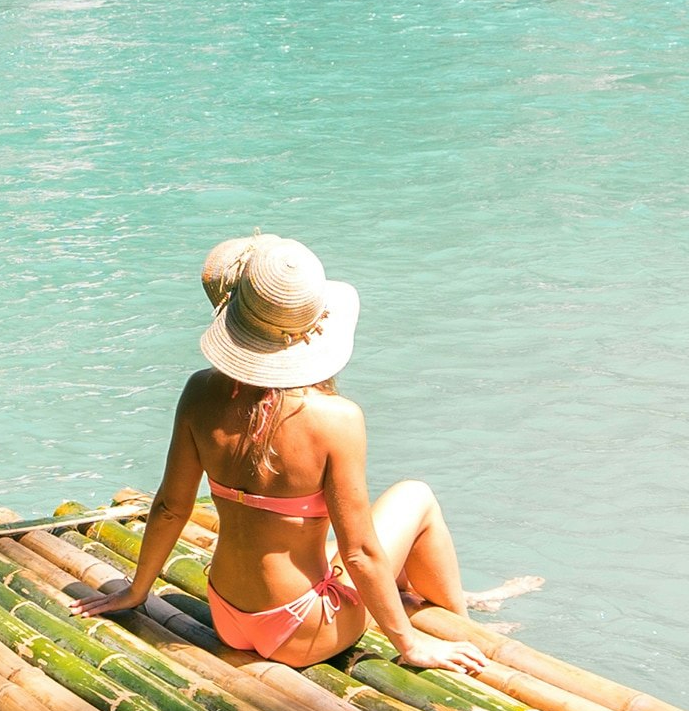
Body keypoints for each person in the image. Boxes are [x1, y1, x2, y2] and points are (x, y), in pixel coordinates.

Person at [68, 233, 486, 672]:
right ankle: (461, 624)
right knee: (415, 496)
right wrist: (409, 645)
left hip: (229, 615)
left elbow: (171, 506)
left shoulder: (199, 392)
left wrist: (137, 590)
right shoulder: (336, 418)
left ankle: (437, 599)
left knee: (354, 548)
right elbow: (360, 551)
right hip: (304, 629)